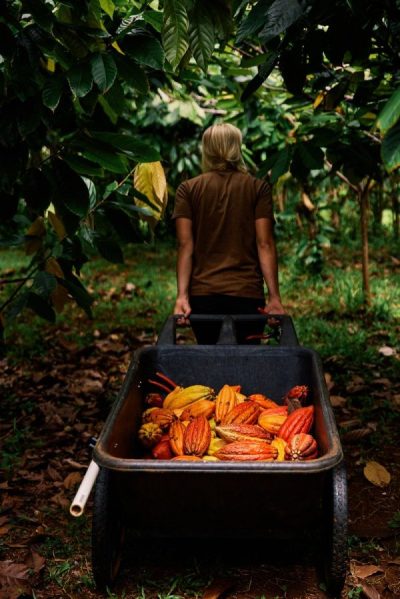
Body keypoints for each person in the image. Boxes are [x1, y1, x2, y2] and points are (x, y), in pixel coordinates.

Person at [172, 122, 285, 344]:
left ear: (207, 150)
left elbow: (186, 246)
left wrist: (182, 297)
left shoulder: (188, 189)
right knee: (247, 361)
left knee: (210, 359)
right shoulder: (258, 188)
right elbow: (265, 244)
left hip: (203, 294)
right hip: (247, 293)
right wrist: (274, 298)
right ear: (237, 148)